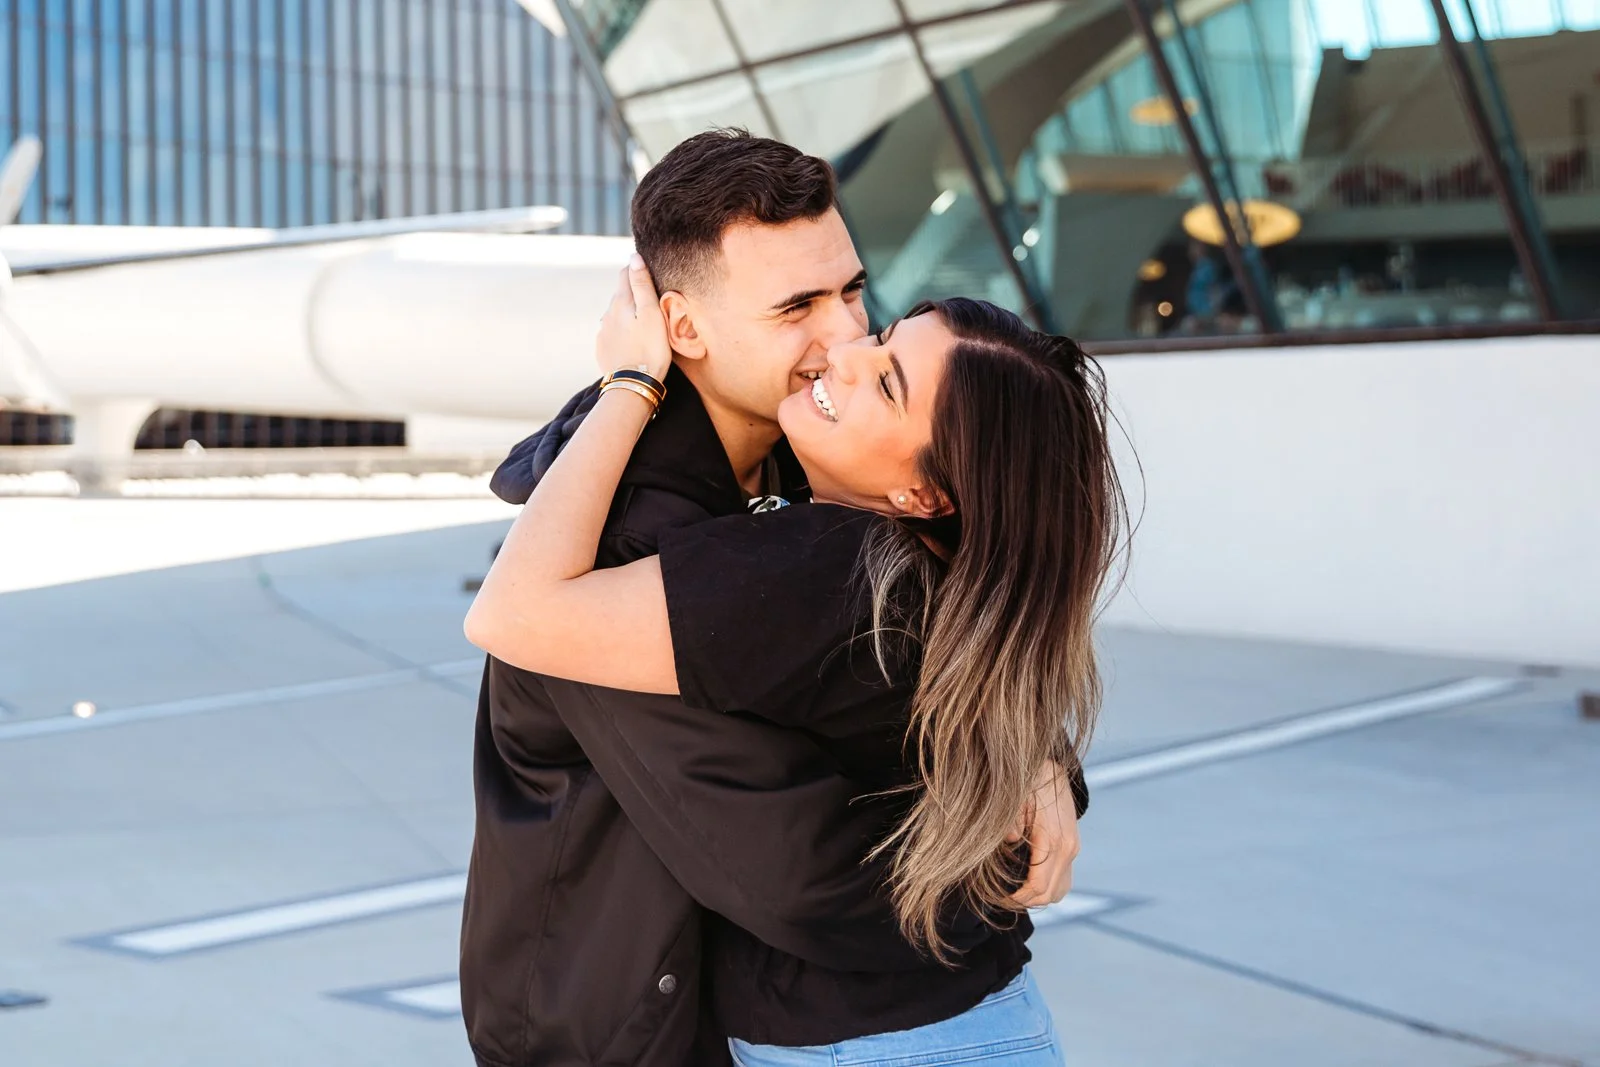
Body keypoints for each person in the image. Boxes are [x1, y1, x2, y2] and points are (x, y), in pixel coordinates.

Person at [460, 129, 1086, 1067]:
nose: (843, 336)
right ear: (683, 329)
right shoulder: (623, 541)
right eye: (797, 305)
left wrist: (1037, 754)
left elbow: (978, 583)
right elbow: (794, 870)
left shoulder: (811, 457)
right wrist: (991, 860)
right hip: (623, 1029)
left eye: (851, 291)